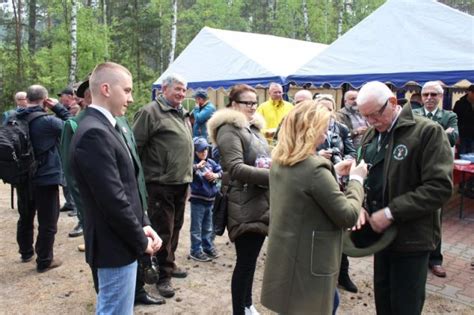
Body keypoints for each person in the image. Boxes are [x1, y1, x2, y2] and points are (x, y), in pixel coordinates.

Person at [70, 62, 162, 314]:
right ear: (107, 89)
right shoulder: (94, 133)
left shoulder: (106, 126)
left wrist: (143, 224)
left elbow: (127, 187)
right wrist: (139, 238)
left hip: (121, 240)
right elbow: (112, 200)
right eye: (128, 90)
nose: (131, 98)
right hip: (114, 245)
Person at [260, 100, 367, 315]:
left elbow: (303, 191)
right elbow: (348, 215)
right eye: (323, 128)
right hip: (310, 262)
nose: (325, 135)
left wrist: (332, 173)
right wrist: (357, 180)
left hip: (288, 256)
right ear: (310, 130)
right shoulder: (314, 169)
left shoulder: (282, 160)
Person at [356, 81, 453, 315]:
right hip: (381, 238)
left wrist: (391, 212)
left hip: (411, 239)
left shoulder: (427, 132)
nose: (370, 122)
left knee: (405, 306)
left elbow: (439, 188)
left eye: (374, 115)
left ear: (391, 103)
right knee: (384, 302)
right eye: (365, 117)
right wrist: (360, 203)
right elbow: (366, 172)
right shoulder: (372, 133)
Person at [207, 84, 270, 315]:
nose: (253, 106)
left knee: (251, 260)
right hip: (243, 202)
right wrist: (275, 176)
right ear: (234, 104)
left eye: (255, 102)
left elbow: (260, 159)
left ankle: (247, 304)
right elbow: (234, 168)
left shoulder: (251, 128)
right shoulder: (229, 129)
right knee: (245, 262)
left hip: (258, 199)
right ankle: (239, 310)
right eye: (248, 102)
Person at [133, 74, 193, 298]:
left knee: (175, 227)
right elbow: (135, 146)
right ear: (164, 89)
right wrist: (136, 180)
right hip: (160, 182)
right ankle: (162, 276)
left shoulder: (182, 112)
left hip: (181, 181)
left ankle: (169, 263)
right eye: (178, 89)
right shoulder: (150, 112)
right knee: (163, 229)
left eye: (184, 90)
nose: (182, 94)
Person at [16, 84, 71, 271]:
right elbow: (73, 127)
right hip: (46, 178)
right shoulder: (47, 121)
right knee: (48, 221)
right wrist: (58, 108)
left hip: (23, 177)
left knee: (25, 216)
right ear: (45, 99)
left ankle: (26, 252)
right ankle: (44, 260)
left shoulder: (14, 118)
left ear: (27, 99)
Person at [189, 137, 222, 262]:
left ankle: (207, 246)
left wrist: (215, 175)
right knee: (196, 227)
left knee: (208, 226)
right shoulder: (192, 164)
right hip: (197, 200)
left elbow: (220, 171)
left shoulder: (211, 163)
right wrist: (197, 166)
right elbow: (188, 171)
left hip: (210, 200)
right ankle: (195, 250)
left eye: (205, 150)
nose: (204, 153)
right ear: (195, 152)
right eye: (200, 151)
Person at [453, 84, 474, 154]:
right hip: (462, 134)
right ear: (469, 92)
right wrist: (457, 135)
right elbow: (455, 120)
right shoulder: (459, 104)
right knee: (462, 154)